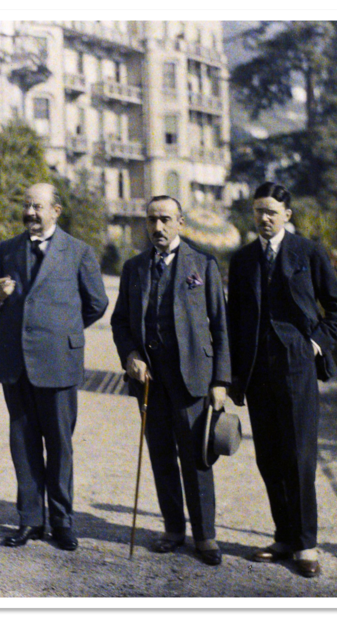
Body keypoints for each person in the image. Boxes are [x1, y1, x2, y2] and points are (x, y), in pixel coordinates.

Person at [227, 182, 337, 578]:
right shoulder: (243, 259)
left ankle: (306, 544)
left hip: (296, 367)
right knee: (269, 457)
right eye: (258, 211)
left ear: (287, 216)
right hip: (257, 370)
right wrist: (231, 374)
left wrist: (315, 343)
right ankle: (283, 536)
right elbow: (234, 319)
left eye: (271, 211)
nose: (264, 218)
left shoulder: (308, 253)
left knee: (299, 457)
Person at [0, 183, 108, 551]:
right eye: (27, 206)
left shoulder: (79, 251)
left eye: (38, 207)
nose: (31, 213)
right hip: (14, 360)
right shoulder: (8, 249)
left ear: (56, 211)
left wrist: (63, 331)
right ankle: (30, 520)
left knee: (60, 445)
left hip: (58, 360)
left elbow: (96, 303)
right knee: (22, 442)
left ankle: (63, 522)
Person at [110, 196, 231, 566]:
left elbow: (220, 325)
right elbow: (120, 322)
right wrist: (130, 355)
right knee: (161, 454)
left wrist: (220, 380)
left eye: (165, 219)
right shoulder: (134, 268)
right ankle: (173, 529)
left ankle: (205, 536)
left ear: (180, 222)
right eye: (151, 220)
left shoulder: (202, 265)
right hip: (150, 380)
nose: (157, 228)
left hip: (191, 378)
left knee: (197, 458)